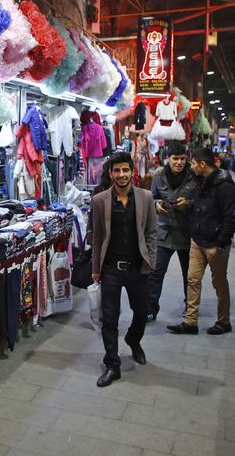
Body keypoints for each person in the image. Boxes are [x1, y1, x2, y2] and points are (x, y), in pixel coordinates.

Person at [90, 152, 156, 387]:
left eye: (125, 170)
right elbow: (97, 236)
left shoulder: (146, 197)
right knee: (110, 318)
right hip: (111, 269)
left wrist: (151, 261)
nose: (121, 175)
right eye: (116, 171)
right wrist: (95, 268)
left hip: (138, 268)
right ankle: (112, 365)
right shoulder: (99, 200)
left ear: (132, 172)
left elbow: (151, 233)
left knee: (142, 312)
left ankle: (133, 339)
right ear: (110, 174)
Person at [167, 147, 235, 336]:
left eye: (193, 163)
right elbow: (201, 205)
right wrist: (189, 204)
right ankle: (190, 322)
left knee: (219, 283)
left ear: (203, 164)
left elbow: (230, 218)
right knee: (192, 280)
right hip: (198, 240)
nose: (190, 166)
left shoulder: (224, 185)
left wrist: (221, 244)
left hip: (215, 244)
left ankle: (224, 322)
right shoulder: (200, 180)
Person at [146, 142, 197, 321]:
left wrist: (189, 204)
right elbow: (151, 198)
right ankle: (150, 309)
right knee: (155, 273)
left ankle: (190, 309)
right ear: (168, 159)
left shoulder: (194, 175)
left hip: (187, 233)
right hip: (163, 231)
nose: (179, 163)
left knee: (189, 276)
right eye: (175, 159)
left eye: (183, 159)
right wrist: (156, 204)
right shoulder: (159, 176)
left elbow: (202, 201)